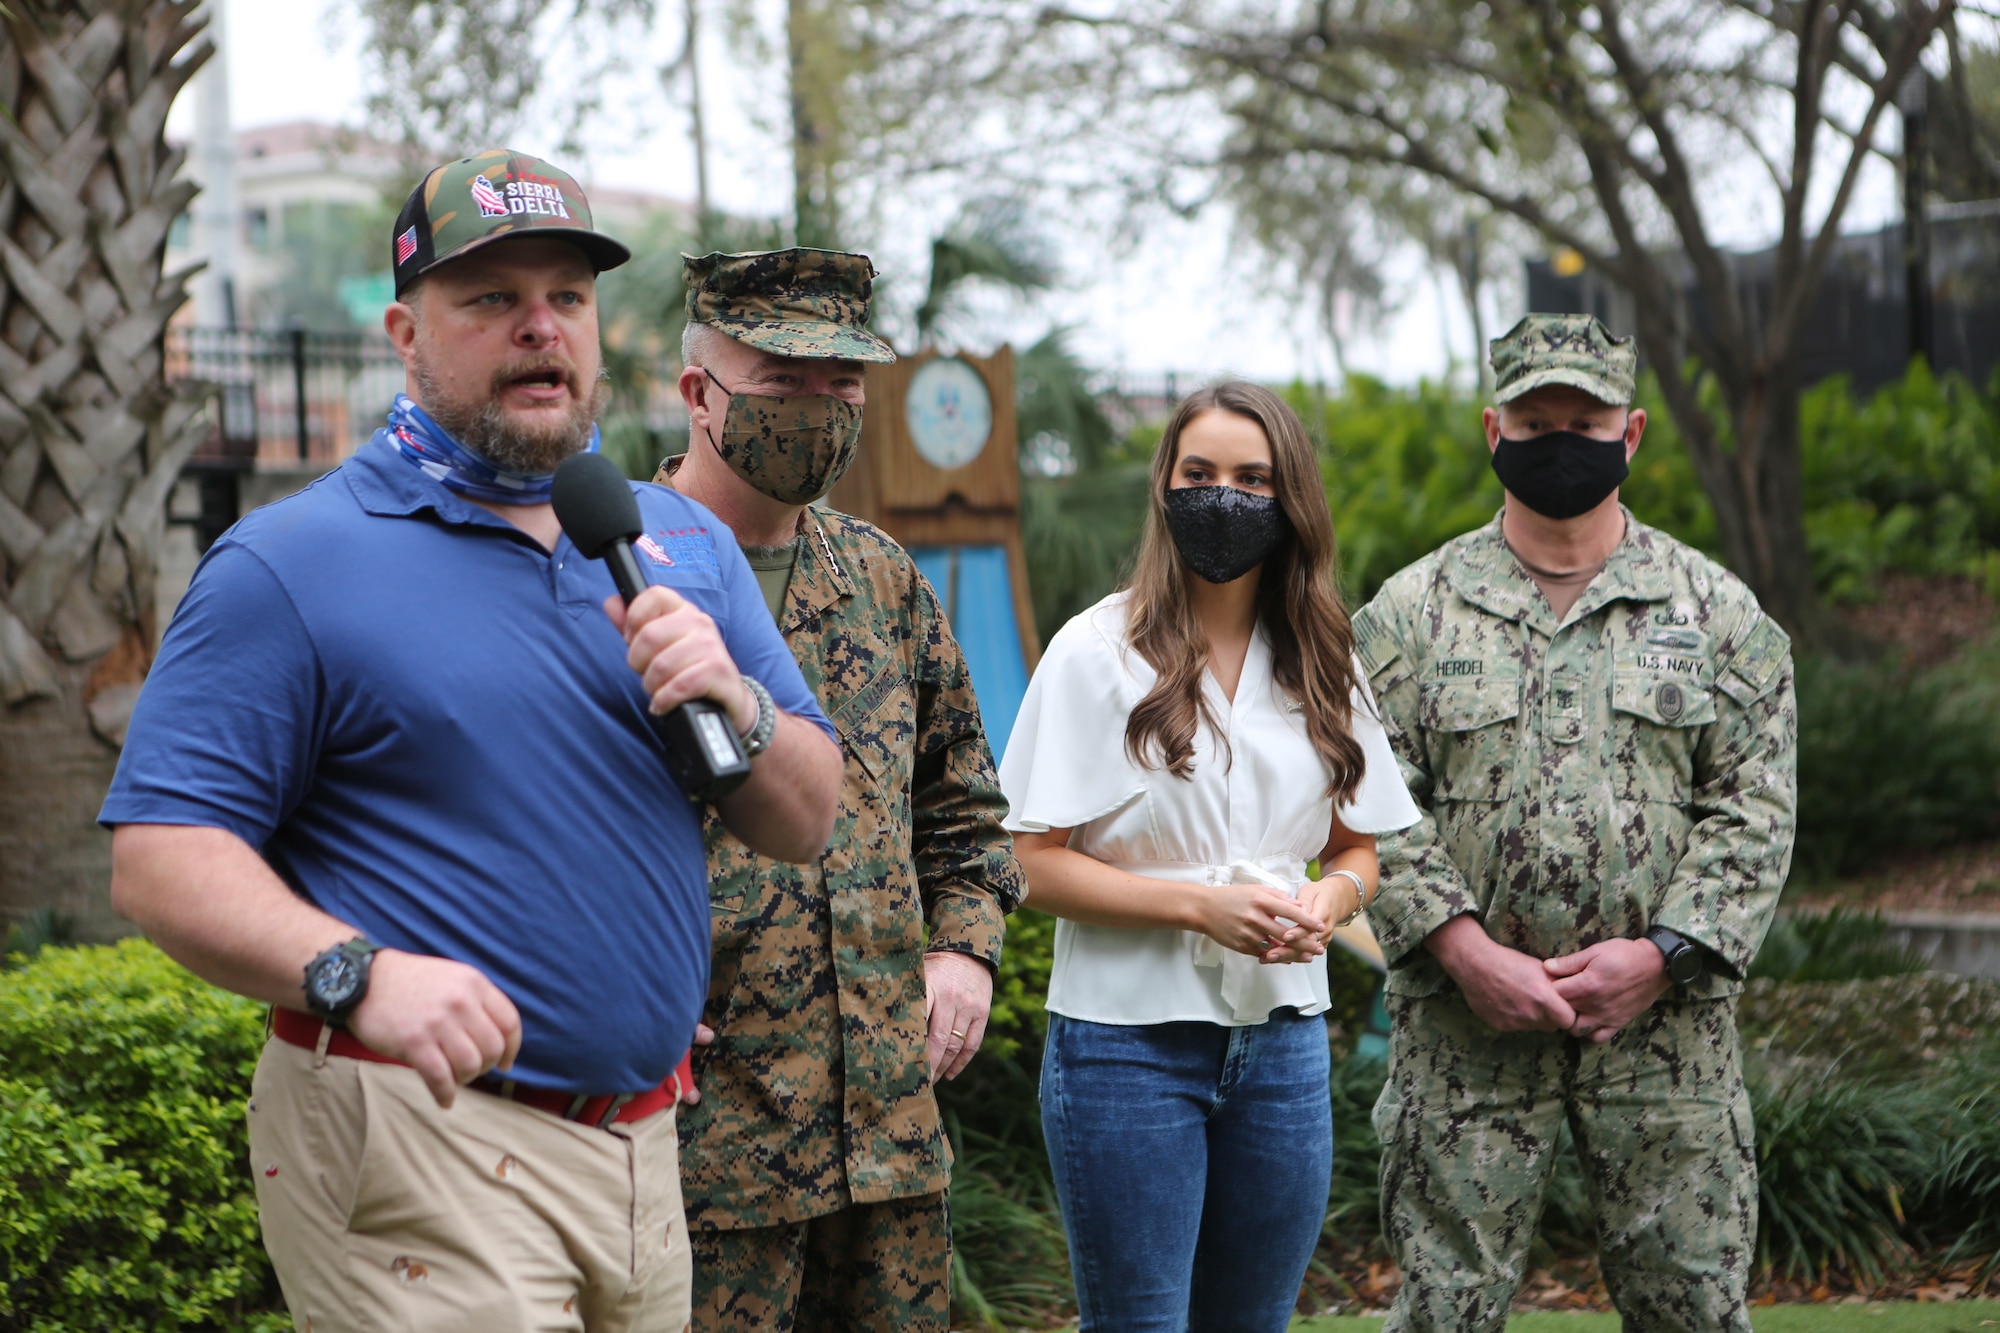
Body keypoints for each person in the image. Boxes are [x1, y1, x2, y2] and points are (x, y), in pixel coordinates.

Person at [99, 151, 844, 1333]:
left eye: (567, 298)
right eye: (490, 299)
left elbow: (807, 818)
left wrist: (736, 704)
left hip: (648, 1154)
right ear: (405, 331)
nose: (539, 329)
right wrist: (360, 975)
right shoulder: (292, 565)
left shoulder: (679, 542)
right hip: (417, 1138)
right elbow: (159, 856)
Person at [1354, 313, 1798, 1332]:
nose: (1559, 437)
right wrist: (1465, 953)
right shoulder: (1406, 616)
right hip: (1462, 1037)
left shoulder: (1714, 612)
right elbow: (1369, 797)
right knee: (1441, 1313)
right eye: (1533, 417)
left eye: (1584, 419)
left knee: (1690, 1308)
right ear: (1491, 429)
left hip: (1664, 1034)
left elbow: (1753, 805)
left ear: (1630, 433)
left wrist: (1660, 955)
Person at [1000, 381, 1421, 1332]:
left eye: (1252, 477)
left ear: (1289, 499)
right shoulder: (1093, 651)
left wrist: (1332, 901)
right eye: (1200, 473)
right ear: (1165, 487)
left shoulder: (1322, 657)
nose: (1222, 496)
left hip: (1282, 1050)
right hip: (1123, 1052)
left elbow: (1359, 848)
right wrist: (1198, 907)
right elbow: (1028, 862)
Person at [658, 248, 1026, 1333]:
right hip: (710, 1150)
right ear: (697, 394)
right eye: (783, 386)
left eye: (841, 389)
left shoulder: (879, 580)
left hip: (889, 1138)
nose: (817, 412)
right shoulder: (616, 571)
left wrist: (962, 951)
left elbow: (963, 810)